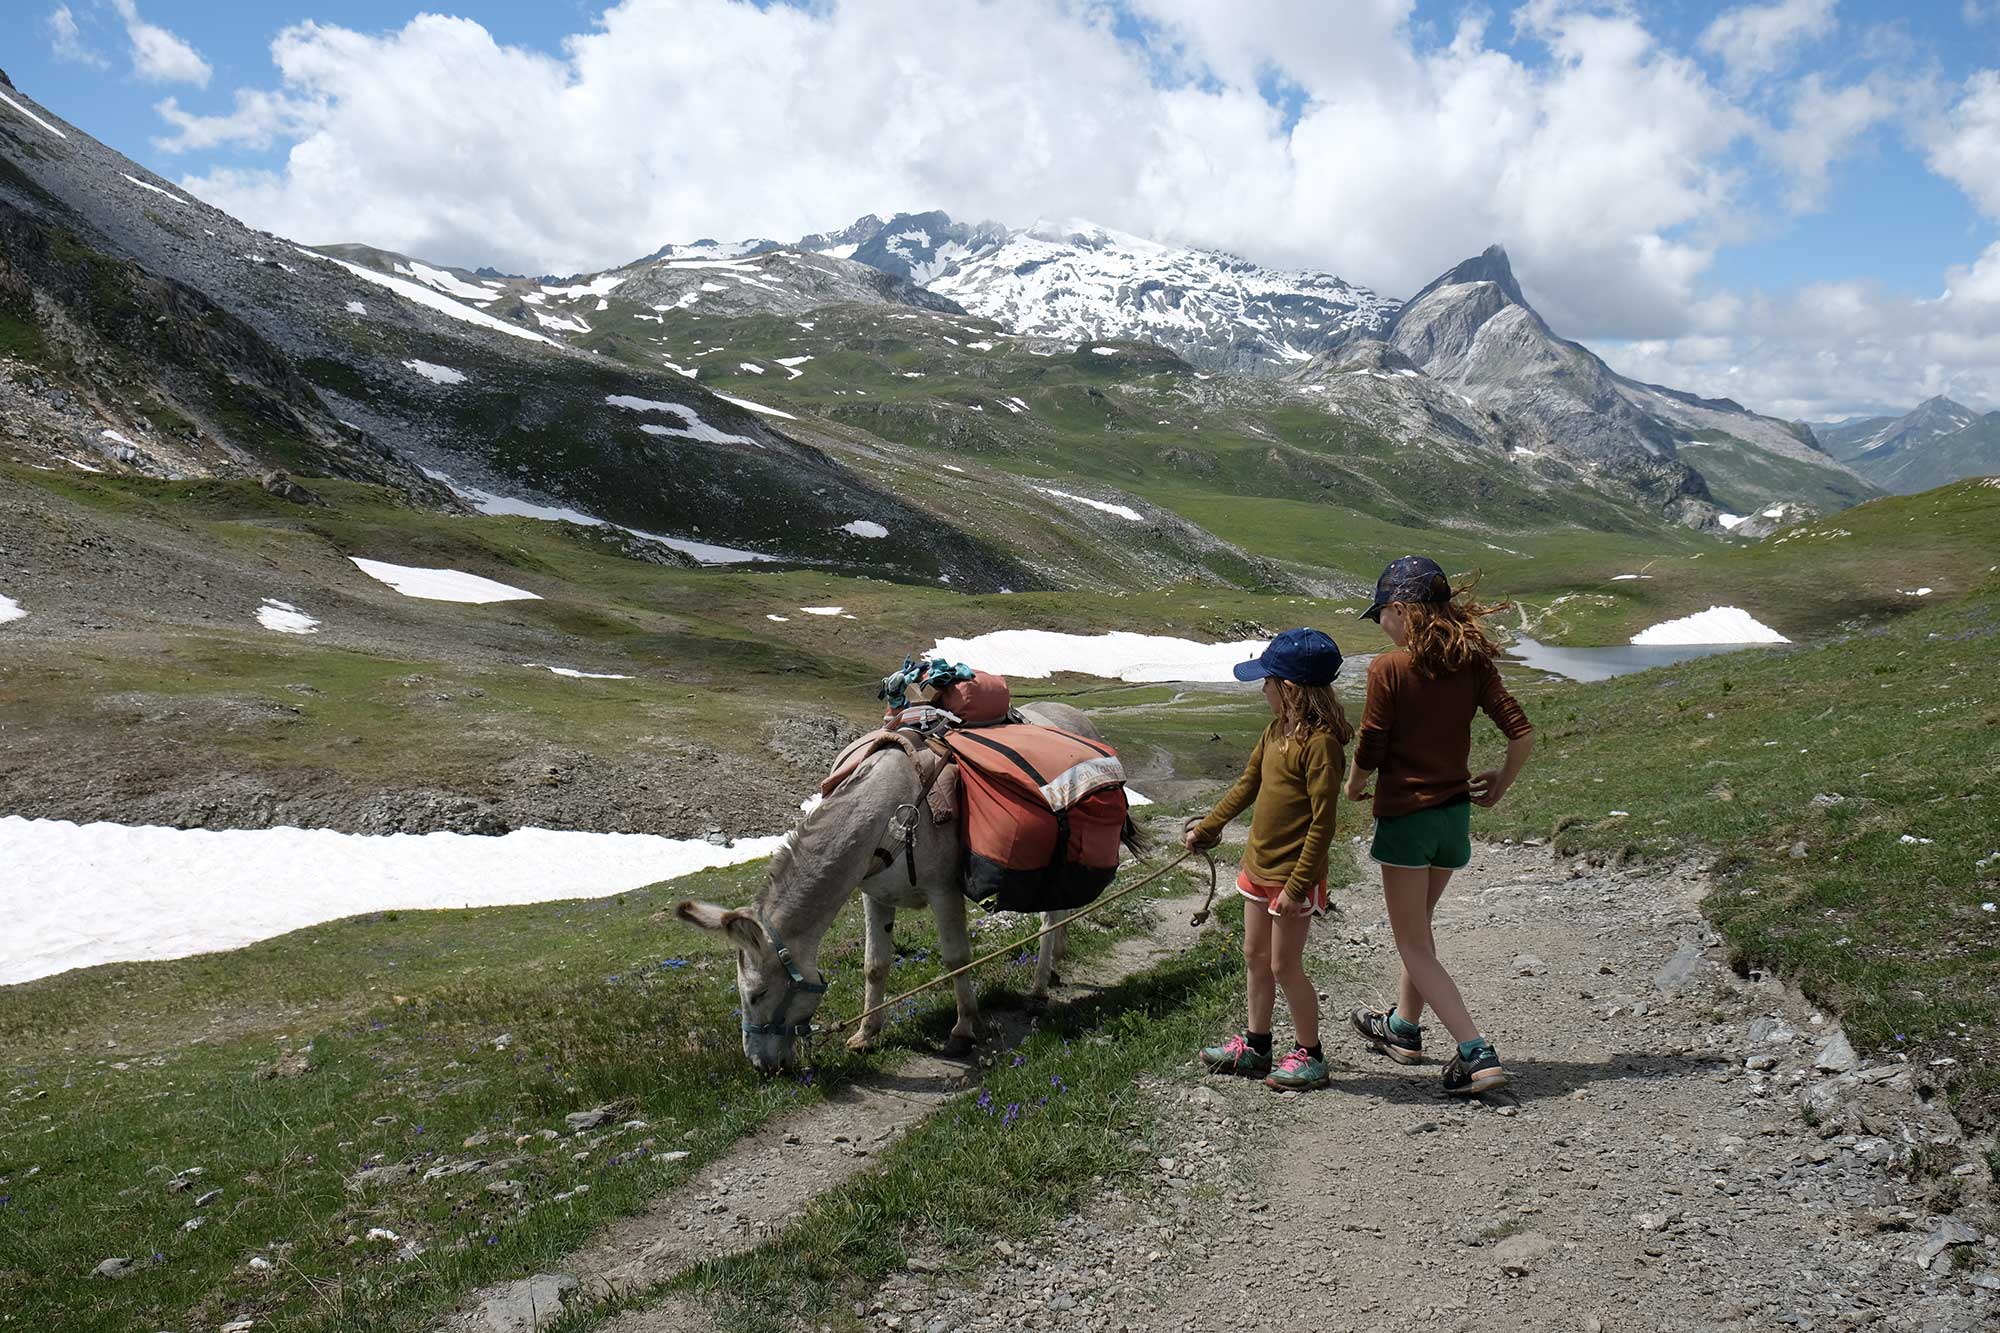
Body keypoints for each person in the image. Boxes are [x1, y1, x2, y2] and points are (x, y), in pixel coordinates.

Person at [1344, 556, 1534, 1097]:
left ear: (1402, 611)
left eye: (1381, 613)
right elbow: (1521, 735)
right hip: (1454, 820)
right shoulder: (1474, 664)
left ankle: (1476, 1053)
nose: (1380, 623)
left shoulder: (1389, 667)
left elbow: (1373, 742)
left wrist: (1355, 784)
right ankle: (1403, 1029)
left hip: (1407, 820)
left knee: (1413, 944)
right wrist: (1500, 782)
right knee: (1420, 932)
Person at [1187, 627, 1352, 1091]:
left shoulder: (1321, 747)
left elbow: (1323, 824)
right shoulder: (1275, 731)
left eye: (1268, 681)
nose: (1262, 689)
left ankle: (1311, 1054)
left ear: (1291, 690)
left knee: (1285, 967)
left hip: (1291, 878)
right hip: (1257, 867)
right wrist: (1209, 827)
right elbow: (1247, 784)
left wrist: (1298, 886)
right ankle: (1257, 1046)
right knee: (1254, 956)